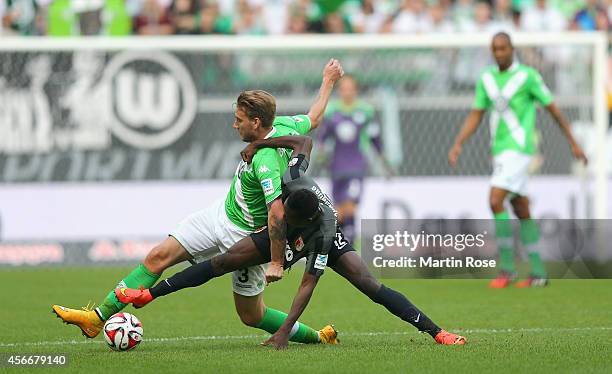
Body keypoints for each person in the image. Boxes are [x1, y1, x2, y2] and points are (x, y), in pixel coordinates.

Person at [52, 59, 345, 345]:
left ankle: (315, 336)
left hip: (243, 238)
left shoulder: (265, 161)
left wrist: (277, 262)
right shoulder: (283, 125)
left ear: (256, 122)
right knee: (158, 257)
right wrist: (328, 80)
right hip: (219, 215)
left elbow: (277, 214)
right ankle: (96, 318)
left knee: (252, 315)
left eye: (239, 120)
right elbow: (314, 117)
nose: (234, 125)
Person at [116, 135, 467, 349]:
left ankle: (436, 332)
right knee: (223, 262)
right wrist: (260, 144)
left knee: (368, 284)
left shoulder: (322, 232)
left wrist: (283, 332)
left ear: (304, 220)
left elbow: (307, 285)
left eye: (287, 219)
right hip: (293, 232)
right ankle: (149, 293)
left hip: (322, 240)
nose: (281, 218)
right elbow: (304, 142)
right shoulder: (294, 176)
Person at [448, 32, 587, 288]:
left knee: (495, 199)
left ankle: (508, 269)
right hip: (499, 150)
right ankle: (538, 273)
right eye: (495, 49)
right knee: (521, 207)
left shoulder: (527, 76)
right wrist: (459, 142)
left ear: (512, 49)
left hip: (521, 148)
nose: (499, 53)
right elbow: (476, 114)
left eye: (503, 48)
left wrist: (573, 142)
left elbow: (553, 110)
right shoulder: (487, 78)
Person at [317, 75, 391, 243]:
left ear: (356, 90)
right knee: (339, 209)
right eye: (344, 88)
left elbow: (375, 139)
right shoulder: (331, 112)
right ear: (340, 91)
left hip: (356, 165)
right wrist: (321, 154)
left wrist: (384, 161)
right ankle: (341, 244)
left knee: (351, 205)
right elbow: (323, 137)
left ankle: (349, 243)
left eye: (350, 88)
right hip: (336, 166)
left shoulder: (366, 111)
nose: (347, 92)